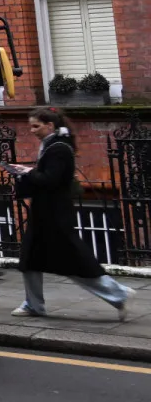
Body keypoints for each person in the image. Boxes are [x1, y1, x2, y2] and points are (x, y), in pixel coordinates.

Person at [11, 108, 135, 320]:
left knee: (72, 262)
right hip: (45, 213)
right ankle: (33, 304)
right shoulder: (52, 145)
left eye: (36, 126)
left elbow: (51, 179)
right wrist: (27, 171)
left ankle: (117, 293)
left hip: (54, 216)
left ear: (49, 125)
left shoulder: (59, 148)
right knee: (29, 260)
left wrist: (28, 172)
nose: (32, 130)